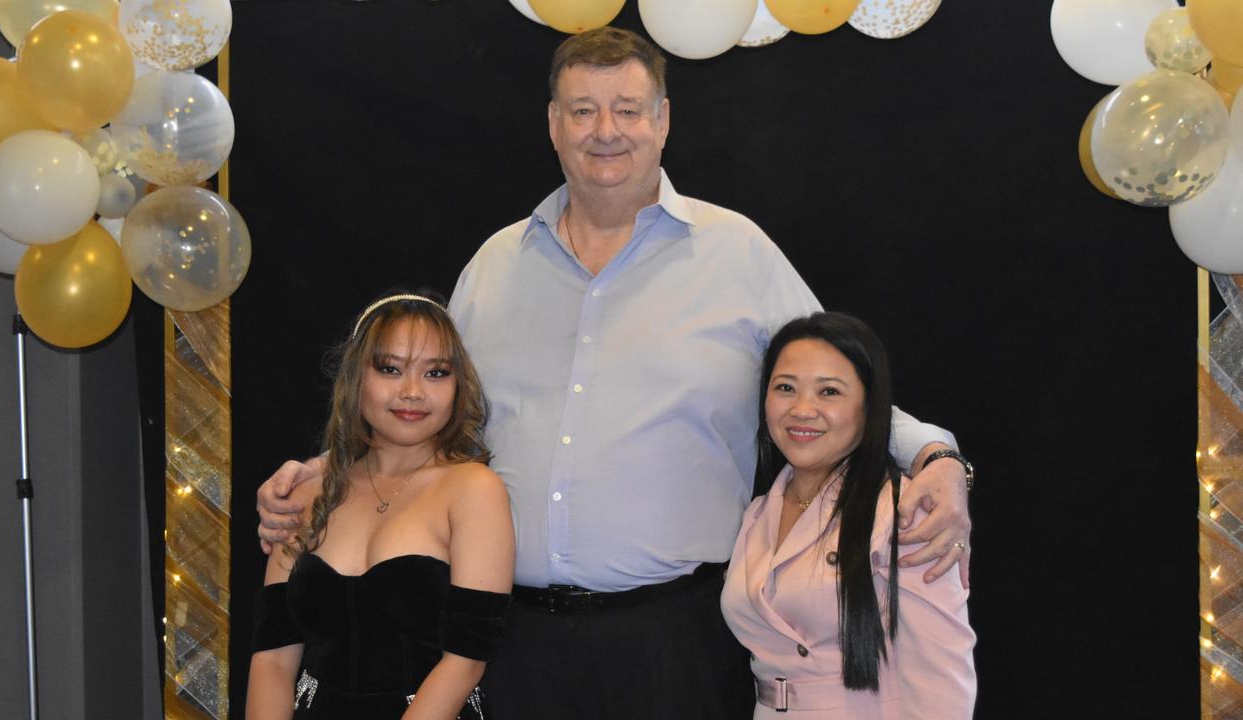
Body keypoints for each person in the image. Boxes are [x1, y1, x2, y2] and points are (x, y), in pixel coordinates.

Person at [257, 28, 975, 719]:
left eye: (627, 110)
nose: (606, 129)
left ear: (663, 121)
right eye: (583, 110)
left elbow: (842, 390)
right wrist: (326, 473)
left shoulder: (737, 253)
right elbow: (423, 410)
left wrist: (936, 456)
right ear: (552, 124)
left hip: (675, 640)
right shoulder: (495, 266)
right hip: (512, 643)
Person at [246, 292, 514, 719]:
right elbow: (274, 656)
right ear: (355, 378)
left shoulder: (474, 490)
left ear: (457, 386)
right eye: (390, 369)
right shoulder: (302, 495)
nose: (412, 392)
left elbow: (466, 659)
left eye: (436, 372)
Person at [721, 312, 976, 718]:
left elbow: (942, 682)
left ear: (870, 407)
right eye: (785, 387)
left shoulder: (904, 510)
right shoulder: (756, 514)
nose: (802, 409)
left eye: (829, 393)